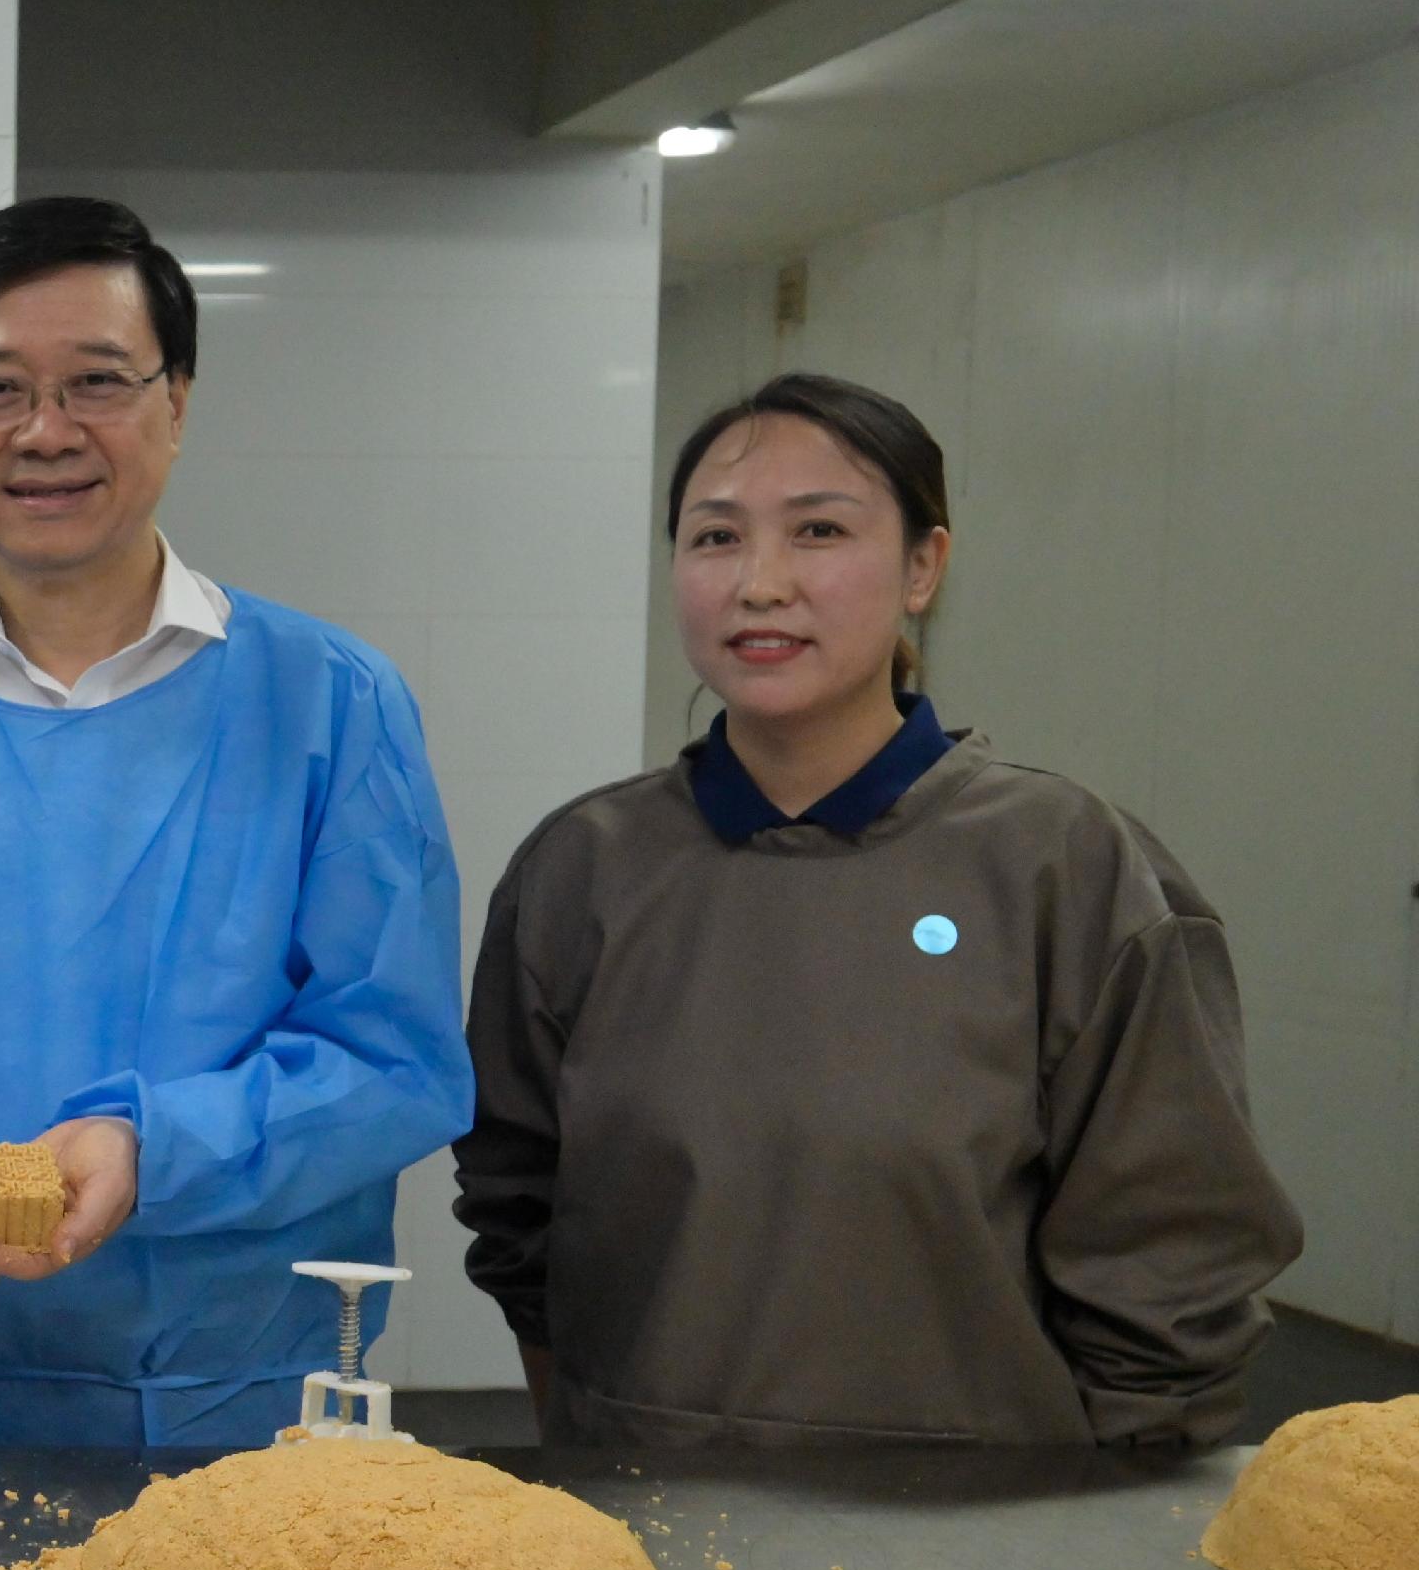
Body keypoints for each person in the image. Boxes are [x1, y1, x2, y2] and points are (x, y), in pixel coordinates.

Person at [0, 196, 474, 1448]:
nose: (46, 431)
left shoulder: (329, 703)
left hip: (239, 1424)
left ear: (176, 402)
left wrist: (150, 1146)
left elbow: (392, 1064)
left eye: (97, 382)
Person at [456, 373, 1300, 1446]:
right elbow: (519, 1214)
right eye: (714, 539)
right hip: (645, 1514)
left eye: (817, 530)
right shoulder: (580, 872)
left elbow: (1171, 1265)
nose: (760, 584)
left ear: (922, 567)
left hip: (988, 1533)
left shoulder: (1069, 868)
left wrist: (1104, 1543)